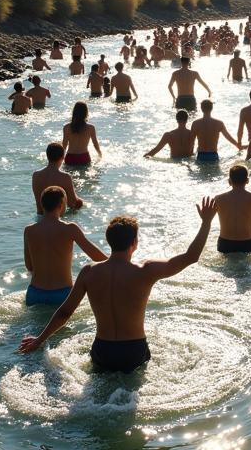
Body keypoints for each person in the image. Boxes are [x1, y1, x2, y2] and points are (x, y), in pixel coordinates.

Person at [18, 199, 216, 370]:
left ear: (109, 241)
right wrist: (206, 222)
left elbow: (64, 313)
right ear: (135, 242)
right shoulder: (145, 271)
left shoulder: (89, 272)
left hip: (102, 350)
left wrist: (38, 340)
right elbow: (191, 256)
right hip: (133, 350)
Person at [22, 186, 106, 306]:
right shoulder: (70, 229)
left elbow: (29, 266)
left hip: (35, 293)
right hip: (62, 294)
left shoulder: (29, 230)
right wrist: (118, 263)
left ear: (42, 204)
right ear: (61, 204)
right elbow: (95, 255)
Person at [31, 143, 83, 212]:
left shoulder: (36, 175)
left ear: (47, 156)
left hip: (40, 217)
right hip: (58, 218)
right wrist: (82, 202)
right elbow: (73, 203)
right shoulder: (65, 177)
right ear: (63, 157)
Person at [62, 101, 101, 166]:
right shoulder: (90, 128)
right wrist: (100, 154)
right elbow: (95, 144)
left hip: (70, 157)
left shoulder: (66, 127)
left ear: (74, 112)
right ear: (86, 113)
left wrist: (61, 158)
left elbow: (64, 145)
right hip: (84, 157)